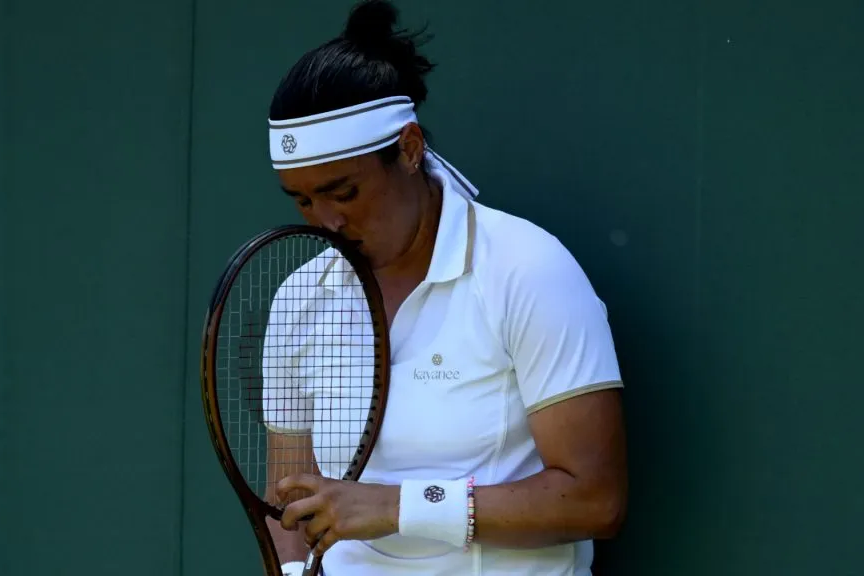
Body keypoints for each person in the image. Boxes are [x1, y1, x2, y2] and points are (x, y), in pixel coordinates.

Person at [262, 1, 627, 574]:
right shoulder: (298, 299)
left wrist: (398, 507)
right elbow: (287, 505)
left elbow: (595, 499)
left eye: (344, 193)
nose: (325, 221)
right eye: (305, 201)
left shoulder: (529, 269)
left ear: (408, 150)